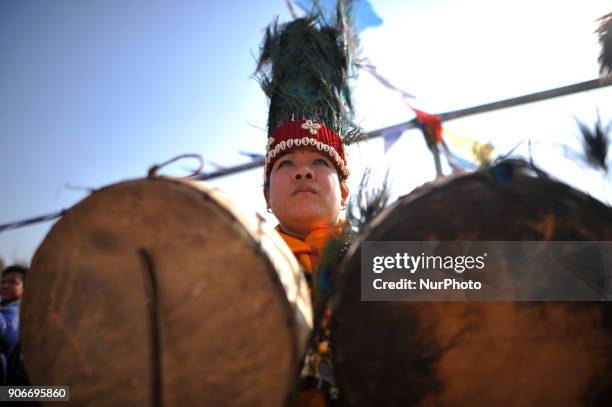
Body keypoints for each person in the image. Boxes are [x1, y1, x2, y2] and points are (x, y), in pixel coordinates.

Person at [255, 5, 360, 405]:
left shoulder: (377, 257)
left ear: (344, 190)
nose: (303, 172)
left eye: (320, 162)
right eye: (286, 164)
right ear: (267, 194)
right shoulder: (240, 264)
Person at [0, 265, 26, 385]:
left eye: (13, 283)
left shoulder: (20, 311)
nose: (5, 286)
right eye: (3, 282)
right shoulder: (3, 304)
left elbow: (6, 331)